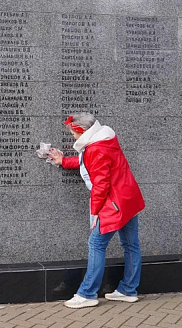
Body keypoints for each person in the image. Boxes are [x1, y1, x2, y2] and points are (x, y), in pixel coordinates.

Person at [48, 112, 145, 309]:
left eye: (73, 134)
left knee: (96, 244)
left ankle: (87, 293)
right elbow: (89, 162)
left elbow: (101, 185)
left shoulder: (96, 149)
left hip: (113, 203)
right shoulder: (105, 140)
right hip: (128, 198)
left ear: (81, 131)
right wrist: (64, 161)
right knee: (131, 245)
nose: (73, 138)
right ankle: (128, 290)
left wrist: (96, 213)